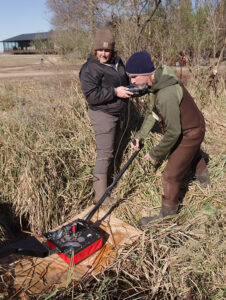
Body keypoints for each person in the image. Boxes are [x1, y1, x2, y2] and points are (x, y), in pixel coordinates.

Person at [125, 51, 211, 226]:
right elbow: (153, 114)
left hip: (191, 131)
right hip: (188, 127)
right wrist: (140, 136)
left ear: (146, 73)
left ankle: (167, 217)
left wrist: (156, 153)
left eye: (134, 77)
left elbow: (173, 132)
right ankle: (206, 184)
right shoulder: (155, 85)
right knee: (191, 155)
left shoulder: (165, 93)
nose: (131, 81)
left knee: (170, 175)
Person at [79, 29, 132, 205]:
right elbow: (92, 95)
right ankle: (100, 197)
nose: (103, 54)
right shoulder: (90, 68)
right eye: (100, 50)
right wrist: (115, 91)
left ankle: (109, 182)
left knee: (114, 150)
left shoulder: (117, 62)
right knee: (105, 153)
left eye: (107, 50)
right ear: (95, 50)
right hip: (103, 115)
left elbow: (123, 79)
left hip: (119, 112)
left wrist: (131, 85)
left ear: (113, 51)